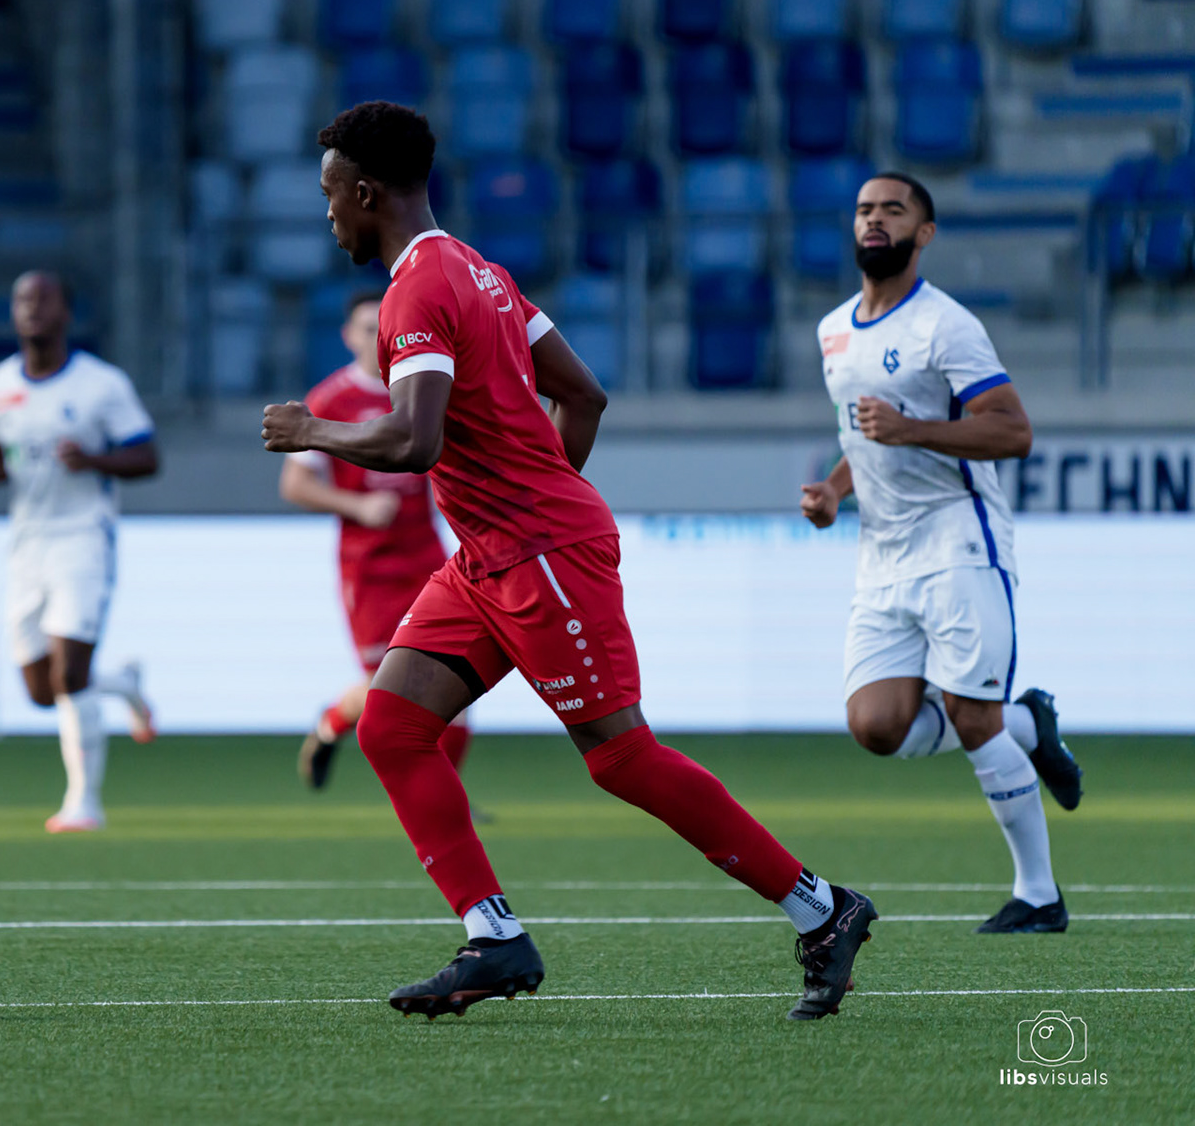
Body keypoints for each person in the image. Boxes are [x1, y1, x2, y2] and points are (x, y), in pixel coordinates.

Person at [261, 102, 876, 1022]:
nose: (328, 217)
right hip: (493, 555)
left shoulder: (416, 292)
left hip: (538, 552)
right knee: (390, 725)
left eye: (329, 198)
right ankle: (495, 937)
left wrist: (313, 429)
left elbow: (416, 439)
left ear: (364, 191)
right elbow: (582, 394)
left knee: (621, 756)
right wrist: (535, 493)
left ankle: (823, 911)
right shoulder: (484, 273)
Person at [800, 172, 1082, 934]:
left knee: (969, 714)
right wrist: (833, 489)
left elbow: (1013, 431)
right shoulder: (833, 330)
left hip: (958, 540)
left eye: (894, 209)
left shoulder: (945, 326)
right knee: (876, 726)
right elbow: (864, 437)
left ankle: (1038, 895)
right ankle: (1029, 724)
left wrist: (914, 429)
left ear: (923, 234)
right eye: (865, 208)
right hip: (881, 555)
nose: (876, 219)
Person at [0, 271, 159, 834]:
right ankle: (122, 684)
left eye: (45, 299)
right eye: (23, 299)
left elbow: (147, 457)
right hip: (27, 543)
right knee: (42, 691)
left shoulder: (101, 385)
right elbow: (5, 459)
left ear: (67, 314)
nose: (32, 308)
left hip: (83, 538)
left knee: (70, 673)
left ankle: (83, 803)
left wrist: (94, 460)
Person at [281, 287, 467, 791]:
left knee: (459, 681)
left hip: (428, 555)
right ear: (347, 337)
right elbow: (295, 484)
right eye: (366, 329)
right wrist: (358, 506)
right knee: (394, 685)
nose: (376, 339)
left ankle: (447, 797)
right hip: (371, 566)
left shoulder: (418, 388)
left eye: (382, 329)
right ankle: (332, 724)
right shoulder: (330, 400)